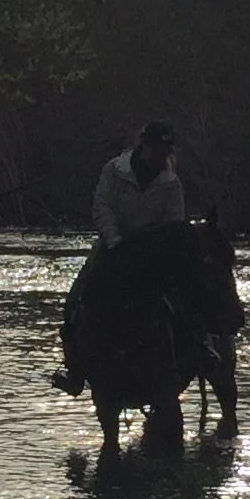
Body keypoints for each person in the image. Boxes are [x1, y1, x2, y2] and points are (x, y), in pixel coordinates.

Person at [54, 119, 184, 393]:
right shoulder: (113, 171)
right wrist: (114, 242)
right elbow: (102, 207)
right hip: (113, 247)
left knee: (182, 297)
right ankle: (74, 367)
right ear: (143, 146)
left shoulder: (172, 183)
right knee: (79, 295)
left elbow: (174, 222)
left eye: (166, 151)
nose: (162, 156)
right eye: (157, 150)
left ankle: (198, 349)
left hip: (152, 253)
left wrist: (157, 248)